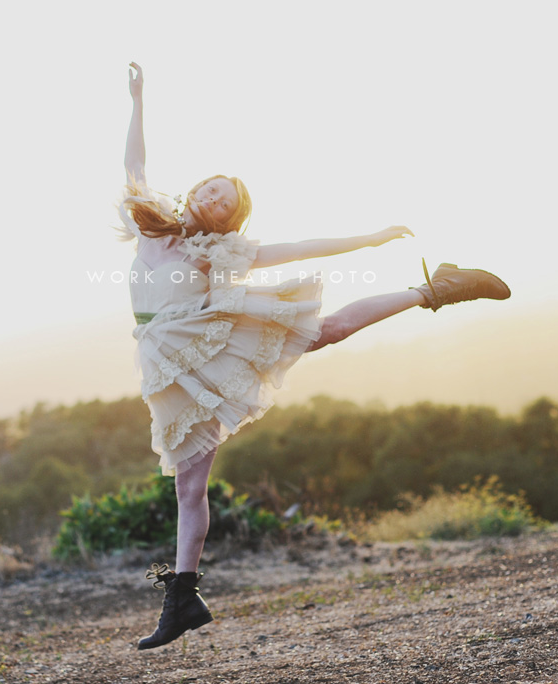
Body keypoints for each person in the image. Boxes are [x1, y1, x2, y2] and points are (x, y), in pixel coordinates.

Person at [117, 62, 511, 650]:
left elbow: (298, 247)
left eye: (223, 201)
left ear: (229, 219)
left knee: (326, 331)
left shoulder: (224, 253)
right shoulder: (152, 224)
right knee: (189, 489)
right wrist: (139, 99)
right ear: (194, 189)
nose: (210, 199)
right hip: (168, 363)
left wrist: (369, 238)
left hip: (206, 349)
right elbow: (135, 165)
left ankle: (435, 289)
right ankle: (183, 597)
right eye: (209, 188)